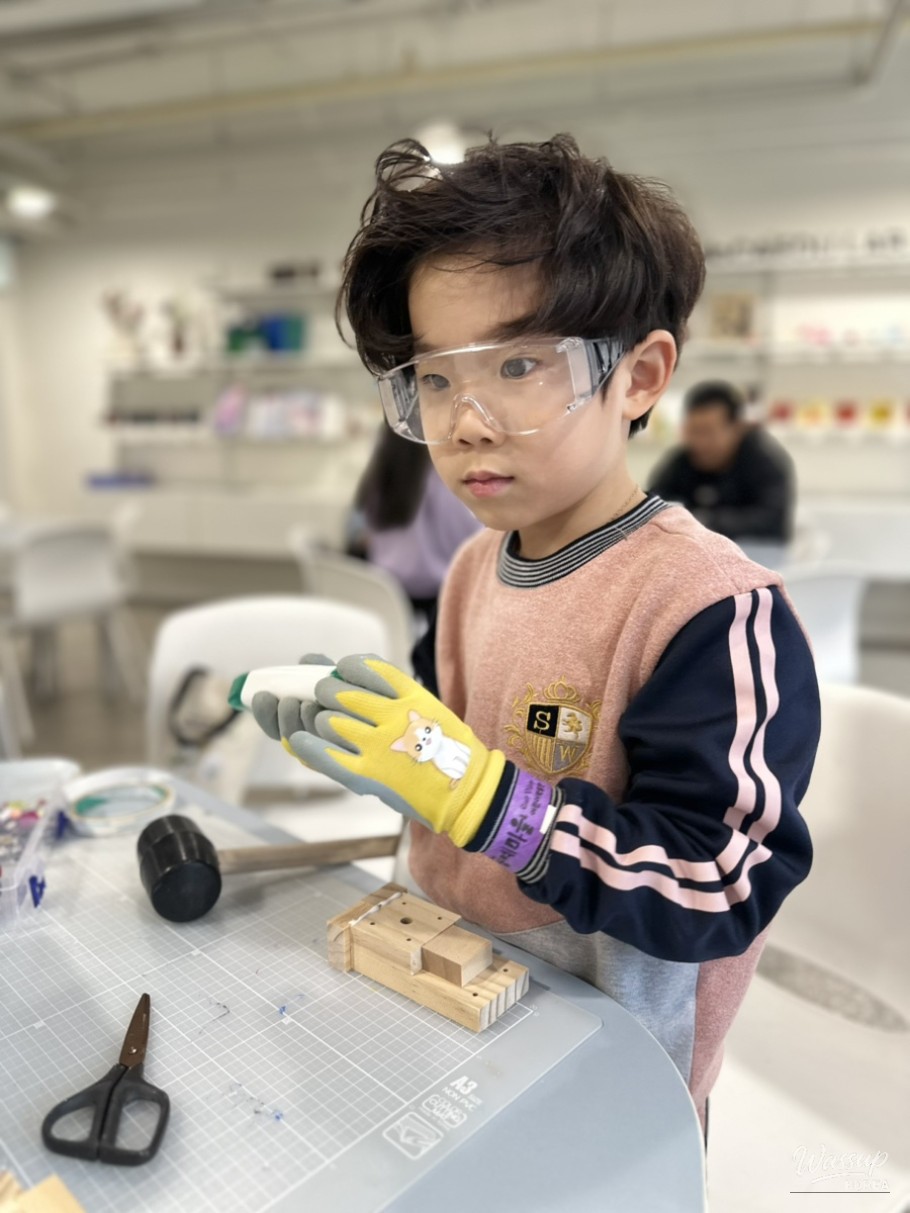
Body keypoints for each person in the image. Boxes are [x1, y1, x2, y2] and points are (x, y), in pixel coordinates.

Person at [251, 135, 819, 1138]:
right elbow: (450, 757)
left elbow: (720, 881)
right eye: (432, 377)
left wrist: (496, 807)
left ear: (638, 375)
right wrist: (388, 750)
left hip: (609, 1070)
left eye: (517, 364)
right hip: (451, 1001)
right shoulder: (473, 566)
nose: (465, 420)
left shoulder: (706, 605)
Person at [350, 424, 481, 620]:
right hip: (437, 601)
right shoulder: (443, 482)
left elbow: (362, 530)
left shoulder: (378, 479)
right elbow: (474, 540)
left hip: (386, 598)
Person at [648, 380, 795, 542]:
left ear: (737, 429)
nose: (700, 442)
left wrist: (706, 521)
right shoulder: (681, 461)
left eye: (708, 432)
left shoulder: (765, 462)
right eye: (694, 431)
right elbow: (652, 506)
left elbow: (773, 522)